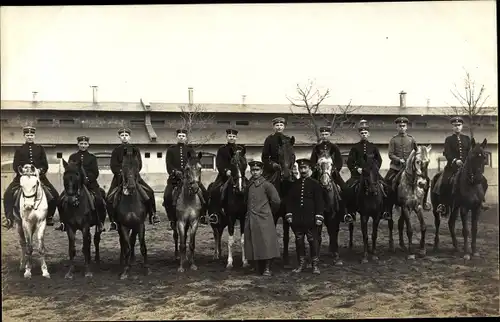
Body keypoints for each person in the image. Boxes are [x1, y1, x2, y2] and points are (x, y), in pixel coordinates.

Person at [3, 126, 59, 229]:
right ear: (24, 136)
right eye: (28, 135)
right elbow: (15, 165)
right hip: (22, 177)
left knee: (55, 194)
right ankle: (9, 219)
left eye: (31, 135)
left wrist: (39, 170)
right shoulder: (19, 149)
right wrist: (22, 171)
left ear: (34, 136)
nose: (29, 137)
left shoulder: (40, 148)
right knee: (7, 194)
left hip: (39, 177)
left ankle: (49, 216)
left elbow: (45, 165)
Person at [106, 128, 159, 231]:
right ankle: (113, 221)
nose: (124, 137)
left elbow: (139, 164)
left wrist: (132, 174)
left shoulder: (135, 149)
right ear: (119, 137)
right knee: (109, 198)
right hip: (119, 178)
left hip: (134, 178)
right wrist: (121, 173)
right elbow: (113, 165)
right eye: (122, 135)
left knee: (150, 192)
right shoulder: (116, 150)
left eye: (126, 135)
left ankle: (153, 215)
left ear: (130, 137)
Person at [436, 116, 489, 213]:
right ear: (452, 127)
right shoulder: (448, 139)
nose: (457, 127)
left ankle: (481, 200)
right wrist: (455, 160)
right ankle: (443, 204)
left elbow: (470, 153)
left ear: (462, 126)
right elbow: (447, 153)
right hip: (452, 167)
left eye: (459, 125)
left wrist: (467, 162)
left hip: (466, 168)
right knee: (444, 182)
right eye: (455, 125)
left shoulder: (467, 139)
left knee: (483, 180)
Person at [56, 135, 106, 232]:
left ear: (88, 145)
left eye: (85, 144)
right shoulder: (73, 157)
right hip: (75, 185)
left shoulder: (92, 157)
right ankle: (63, 223)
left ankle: (100, 222)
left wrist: (87, 178)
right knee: (60, 200)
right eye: (81, 144)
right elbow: (70, 170)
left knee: (100, 200)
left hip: (90, 184)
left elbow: (95, 172)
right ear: (78, 144)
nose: (83, 145)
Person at [284, 158, 325, 274]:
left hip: (311, 219)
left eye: (305, 168)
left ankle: (315, 265)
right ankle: (301, 264)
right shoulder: (294, 184)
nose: (302, 170)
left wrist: (319, 216)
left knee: (313, 241)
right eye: (301, 168)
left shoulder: (315, 184)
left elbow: (319, 202)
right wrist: (289, 214)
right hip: (297, 219)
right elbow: (289, 201)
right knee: (299, 242)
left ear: (309, 169)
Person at [244, 160, 281, 277]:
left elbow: (276, 201)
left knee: (266, 243)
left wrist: (268, 212)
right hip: (251, 218)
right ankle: (256, 266)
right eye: (253, 170)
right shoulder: (249, 185)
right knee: (253, 243)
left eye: (257, 170)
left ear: (261, 171)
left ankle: (267, 268)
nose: (255, 173)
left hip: (264, 218)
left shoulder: (267, 185)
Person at [164, 129, 209, 222]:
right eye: (179, 136)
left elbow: (194, 163)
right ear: (177, 137)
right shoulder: (171, 150)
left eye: (183, 136)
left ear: (186, 138)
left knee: (205, 193)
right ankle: (171, 218)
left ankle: (203, 216)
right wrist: (175, 172)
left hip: (190, 178)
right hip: (175, 179)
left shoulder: (190, 150)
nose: (181, 137)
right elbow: (169, 164)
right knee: (167, 196)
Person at [344, 123, 384, 221]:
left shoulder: (373, 147)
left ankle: (384, 210)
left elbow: (379, 160)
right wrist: (357, 169)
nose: (364, 135)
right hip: (358, 175)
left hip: (372, 175)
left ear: (368, 134)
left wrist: (374, 171)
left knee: (386, 187)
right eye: (362, 133)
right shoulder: (355, 147)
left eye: (366, 133)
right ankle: (350, 212)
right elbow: (350, 162)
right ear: (360, 135)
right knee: (347, 188)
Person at [208, 128, 245, 216]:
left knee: (249, 188)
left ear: (236, 138)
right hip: (224, 176)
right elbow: (219, 163)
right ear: (227, 137)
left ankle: (246, 211)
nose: (231, 138)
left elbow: (244, 162)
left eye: (233, 136)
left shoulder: (240, 149)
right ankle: (215, 213)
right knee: (214, 190)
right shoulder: (222, 149)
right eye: (230, 136)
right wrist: (225, 171)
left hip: (238, 175)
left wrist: (240, 170)